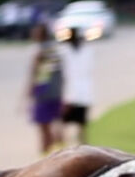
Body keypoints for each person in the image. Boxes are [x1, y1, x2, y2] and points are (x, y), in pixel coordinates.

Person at [25, 23, 64, 154]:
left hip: (43, 92)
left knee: (43, 127)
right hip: (56, 91)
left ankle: (45, 152)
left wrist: (29, 91)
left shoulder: (39, 52)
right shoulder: (55, 50)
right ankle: (58, 147)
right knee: (56, 122)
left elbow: (35, 74)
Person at [58, 27, 94, 145]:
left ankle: (82, 146)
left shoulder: (85, 51)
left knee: (80, 124)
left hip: (82, 92)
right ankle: (65, 147)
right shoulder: (66, 51)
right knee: (65, 124)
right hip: (72, 92)